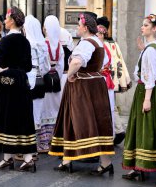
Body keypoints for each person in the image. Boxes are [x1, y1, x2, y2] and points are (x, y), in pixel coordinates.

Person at [49, 13, 115, 175]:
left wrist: (71, 74)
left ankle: (69, 159)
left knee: (77, 119)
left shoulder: (85, 43)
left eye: (79, 25)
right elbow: (105, 61)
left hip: (83, 86)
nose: (77, 27)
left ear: (85, 28)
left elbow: (78, 62)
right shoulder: (99, 42)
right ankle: (101, 162)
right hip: (97, 84)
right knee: (98, 121)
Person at [122, 14, 156, 183]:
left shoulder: (152, 49)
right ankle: (139, 166)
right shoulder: (151, 48)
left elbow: (150, 76)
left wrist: (147, 99)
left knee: (153, 130)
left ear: (154, 29)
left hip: (149, 92)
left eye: (145, 25)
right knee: (142, 129)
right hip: (149, 91)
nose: (142, 27)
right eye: (142, 24)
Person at [0, 6, 37, 172]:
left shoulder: (7, 39)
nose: (4, 21)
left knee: (7, 117)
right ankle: (22, 158)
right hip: (22, 82)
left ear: (13, 21)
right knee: (23, 117)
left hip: (8, 83)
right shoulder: (25, 40)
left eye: (7, 18)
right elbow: (29, 66)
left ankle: (10, 158)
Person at [96, 16, 132, 145]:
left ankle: (113, 132)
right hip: (115, 78)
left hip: (105, 78)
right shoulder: (113, 43)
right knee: (111, 105)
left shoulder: (102, 44)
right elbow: (120, 61)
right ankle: (119, 129)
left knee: (107, 106)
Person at [23, 15, 51, 153]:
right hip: (40, 81)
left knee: (27, 114)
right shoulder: (42, 44)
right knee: (36, 114)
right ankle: (34, 148)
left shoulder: (26, 44)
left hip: (28, 80)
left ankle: (28, 149)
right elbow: (46, 68)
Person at [39, 16, 64, 153]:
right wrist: (57, 77)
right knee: (55, 108)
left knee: (45, 109)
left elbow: (43, 65)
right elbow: (61, 65)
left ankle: (44, 143)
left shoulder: (43, 44)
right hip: (56, 80)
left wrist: (45, 75)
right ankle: (56, 140)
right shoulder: (59, 45)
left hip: (46, 79)